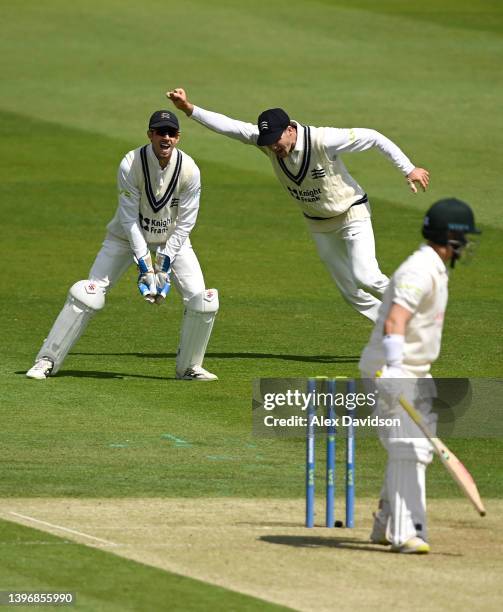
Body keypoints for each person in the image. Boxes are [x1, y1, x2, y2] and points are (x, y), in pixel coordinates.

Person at [167, 88, 430, 322]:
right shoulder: (269, 143)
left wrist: (408, 169)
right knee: (350, 292)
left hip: (352, 213)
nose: (272, 147)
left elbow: (373, 137)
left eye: (276, 140)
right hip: (318, 224)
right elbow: (229, 126)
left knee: (366, 276)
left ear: (290, 130)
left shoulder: (323, 139)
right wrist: (189, 109)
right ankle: (392, 327)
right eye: (267, 141)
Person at [27, 110, 219, 381]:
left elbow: (187, 222)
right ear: (149, 134)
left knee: (203, 301)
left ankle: (189, 367)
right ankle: (46, 360)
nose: (165, 138)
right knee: (88, 294)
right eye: (160, 132)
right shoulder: (131, 163)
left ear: (178, 137)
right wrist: (145, 266)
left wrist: (163, 263)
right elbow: (129, 219)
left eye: (171, 133)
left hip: (172, 239)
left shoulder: (190, 170)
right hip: (124, 237)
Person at [359, 198, 481, 553]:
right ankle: (406, 532)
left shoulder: (434, 267)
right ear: (452, 238)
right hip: (391, 369)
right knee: (408, 446)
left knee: (411, 447)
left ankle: (384, 523)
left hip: (413, 369)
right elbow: (396, 319)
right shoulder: (419, 270)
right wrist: (395, 370)